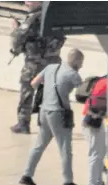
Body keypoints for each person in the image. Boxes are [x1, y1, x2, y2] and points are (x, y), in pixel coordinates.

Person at [19, 49, 84, 185]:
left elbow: (33, 83)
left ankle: (27, 175)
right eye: (81, 62)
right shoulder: (73, 75)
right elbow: (83, 94)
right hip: (59, 113)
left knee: (39, 146)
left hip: (44, 111)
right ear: (77, 61)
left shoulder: (50, 67)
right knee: (65, 149)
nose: (82, 66)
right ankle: (68, 182)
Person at [10, 1, 66, 134]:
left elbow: (18, 38)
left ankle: (23, 123)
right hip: (53, 61)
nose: (26, 2)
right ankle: (50, 124)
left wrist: (15, 29)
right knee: (50, 93)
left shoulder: (33, 18)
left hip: (35, 62)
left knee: (27, 90)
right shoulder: (56, 15)